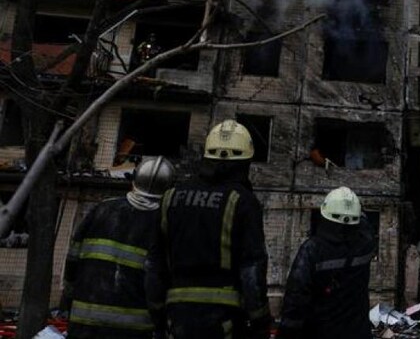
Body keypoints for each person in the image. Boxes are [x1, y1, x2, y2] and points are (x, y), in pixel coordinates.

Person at [146, 120, 271, 339]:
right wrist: (260, 321)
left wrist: (157, 316)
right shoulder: (244, 202)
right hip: (225, 321)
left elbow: (154, 266)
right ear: (245, 162)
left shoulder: (170, 198)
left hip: (176, 319)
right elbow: (252, 270)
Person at [62, 156, 176, 339]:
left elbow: (72, 262)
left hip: (83, 323)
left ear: (134, 181)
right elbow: (159, 283)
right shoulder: (164, 226)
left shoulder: (101, 210)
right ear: (169, 191)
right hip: (132, 330)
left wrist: (68, 303)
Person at [278, 186, 377, 339]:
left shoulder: (312, 250)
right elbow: (365, 226)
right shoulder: (365, 244)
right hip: (358, 332)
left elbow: (295, 302)